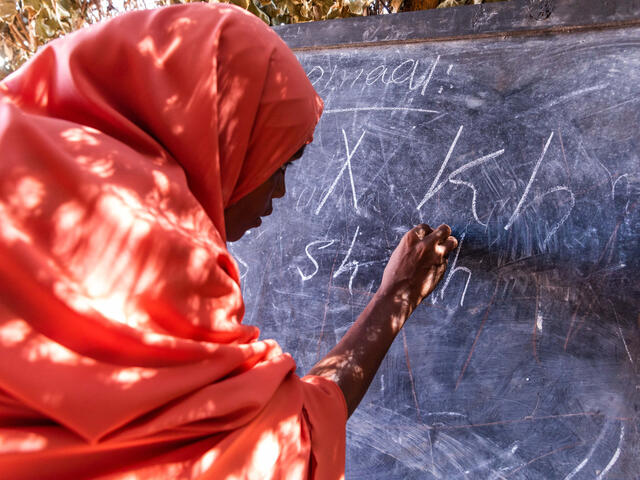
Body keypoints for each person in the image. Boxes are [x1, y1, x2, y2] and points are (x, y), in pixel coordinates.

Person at [0, 3, 457, 479]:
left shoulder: (24, 149)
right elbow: (277, 445)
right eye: (279, 163)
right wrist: (393, 299)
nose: (279, 191)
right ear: (218, 135)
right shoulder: (154, 254)